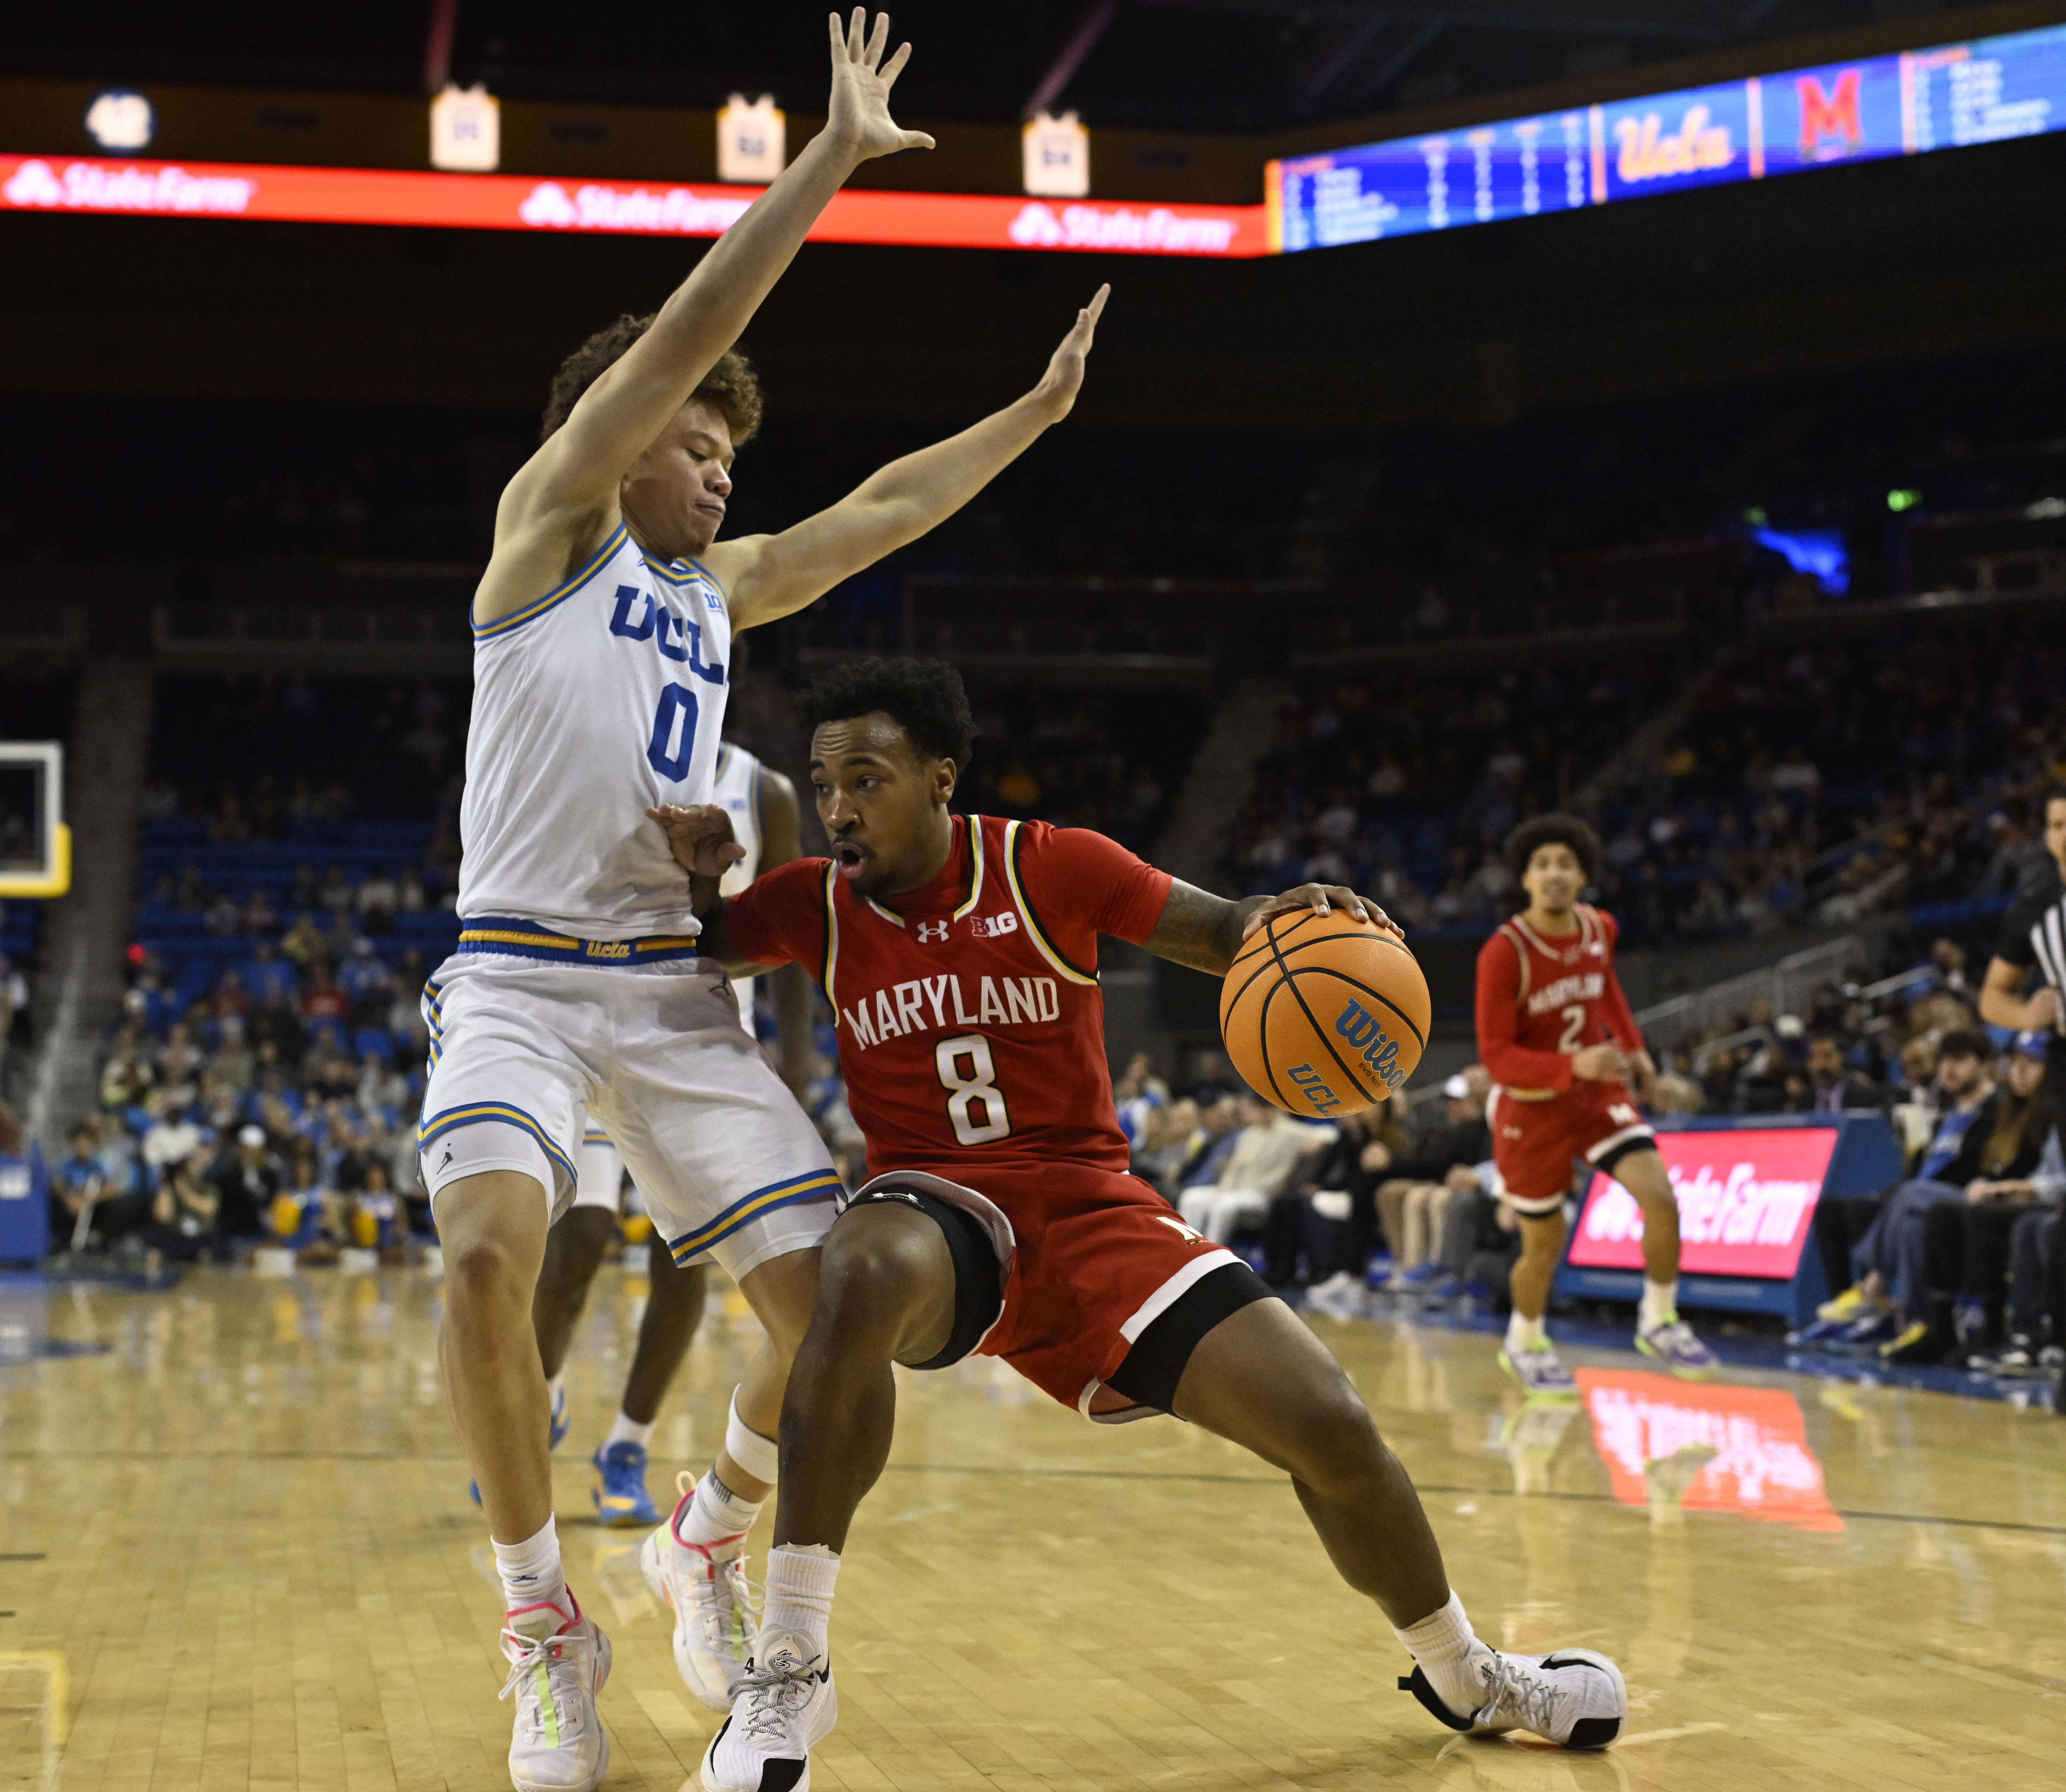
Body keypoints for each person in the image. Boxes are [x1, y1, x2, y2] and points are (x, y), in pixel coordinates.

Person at [412, 21, 1111, 1789]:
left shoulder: (716, 590)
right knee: (487, 1259)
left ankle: (704, 1539)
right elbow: (687, 333)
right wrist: (826, 165)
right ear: (619, 437)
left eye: (731, 447)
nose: (718, 462)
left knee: (831, 1328)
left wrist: (1030, 419)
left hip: (669, 989)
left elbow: (878, 512)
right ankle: (539, 1631)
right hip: (513, 978)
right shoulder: (547, 528)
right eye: (696, 438)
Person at [649, 658, 1627, 1791]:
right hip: (945, 1216)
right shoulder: (815, 898)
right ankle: (789, 1666)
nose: (838, 809)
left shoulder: (1050, 863)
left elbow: (1223, 932)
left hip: (1093, 1206)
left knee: (1330, 1421)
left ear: (939, 778)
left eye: (864, 780)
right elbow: (692, 947)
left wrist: (1295, 918)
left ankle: (1465, 1672)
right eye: (824, 786)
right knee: (855, 1266)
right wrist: (699, 883)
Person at [518, 741, 816, 1529]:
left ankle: (627, 1444)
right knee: (577, 1239)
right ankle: (539, 1394)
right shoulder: (605, 750)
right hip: (589, 1019)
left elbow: (787, 932)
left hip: (699, 1041)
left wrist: (798, 1061)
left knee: (684, 1257)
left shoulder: (767, 788)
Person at [1474, 814, 1716, 1395]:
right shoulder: (1504, 952)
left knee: (1661, 1197)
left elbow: (1606, 987)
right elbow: (1496, 1056)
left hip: (1595, 1094)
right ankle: (1525, 1337)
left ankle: (1658, 1318)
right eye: (1543, 864)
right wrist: (1570, 1065)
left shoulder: (1599, 926)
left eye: (1566, 863)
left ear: (1582, 874)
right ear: (1526, 878)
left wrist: (1636, 1051)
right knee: (1545, 1242)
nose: (1555, 874)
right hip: (1530, 1107)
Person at [1807, 1027, 1995, 1341]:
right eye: (1945, 1060)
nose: (1948, 1069)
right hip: (1921, 1197)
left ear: (1985, 1066)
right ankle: (1907, 1320)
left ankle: (1872, 1292)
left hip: (1958, 1198)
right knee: (1838, 1209)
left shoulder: (1993, 1111)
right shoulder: (1946, 1115)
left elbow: (1980, 1168)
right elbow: (1925, 1167)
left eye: (1960, 1061)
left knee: (1907, 1199)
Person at [1980, 785, 2066, 1091]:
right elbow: (1992, 997)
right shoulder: (2033, 908)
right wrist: (2026, 1015)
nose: (2065, 834)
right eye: (2057, 825)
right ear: (2047, 836)